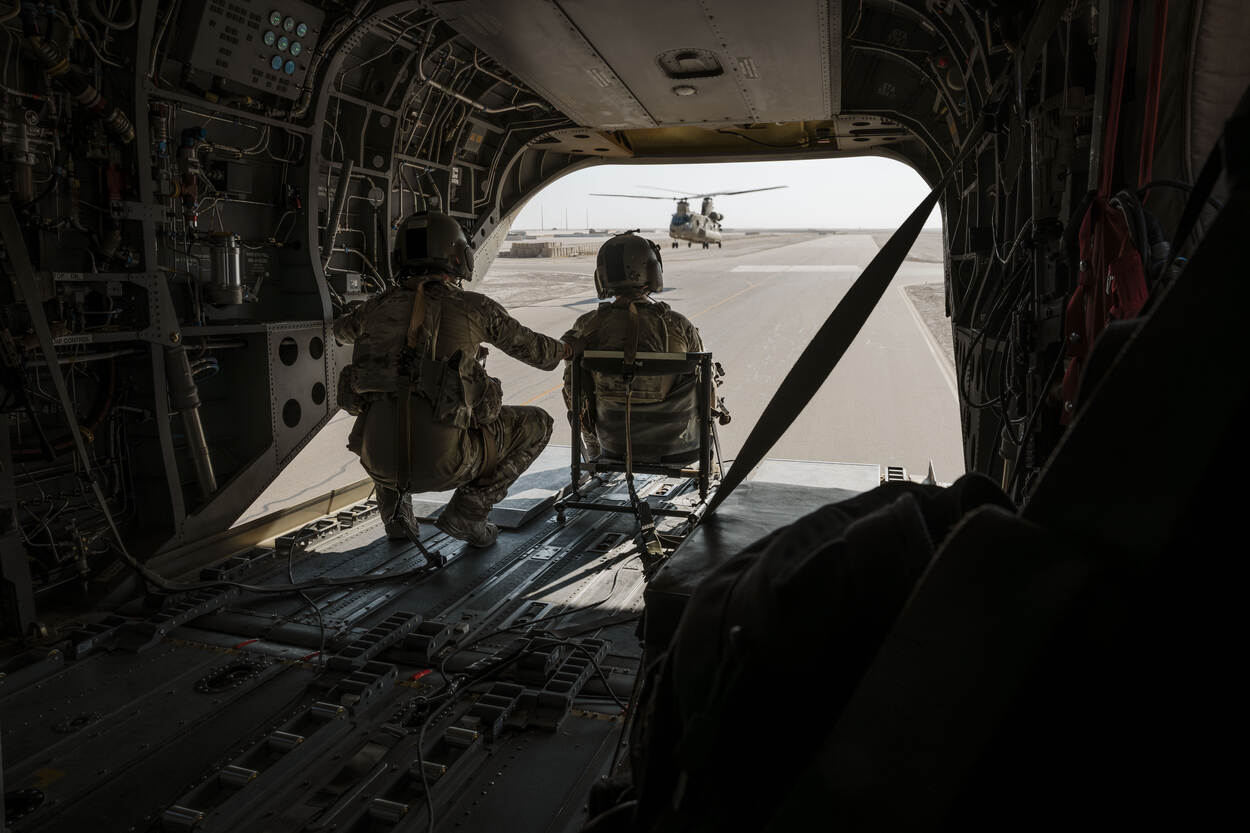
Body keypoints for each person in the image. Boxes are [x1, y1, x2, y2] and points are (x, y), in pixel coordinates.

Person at [333, 211, 581, 548]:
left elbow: (340, 330)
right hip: (448, 465)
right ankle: (468, 515)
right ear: (458, 257)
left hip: (378, 463)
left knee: (389, 408)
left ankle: (398, 522)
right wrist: (567, 349)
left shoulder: (373, 310)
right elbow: (538, 352)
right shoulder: (475, 307)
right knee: (538, 423)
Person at [560, 231, 725, 461]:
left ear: (602, 277)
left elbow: (573, 390)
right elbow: (705, 390)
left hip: (612, 447)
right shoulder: (677, 325)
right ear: (652, 271)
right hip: (678, 450)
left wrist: (593, 439)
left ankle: (593, 450)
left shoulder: (585, 326)